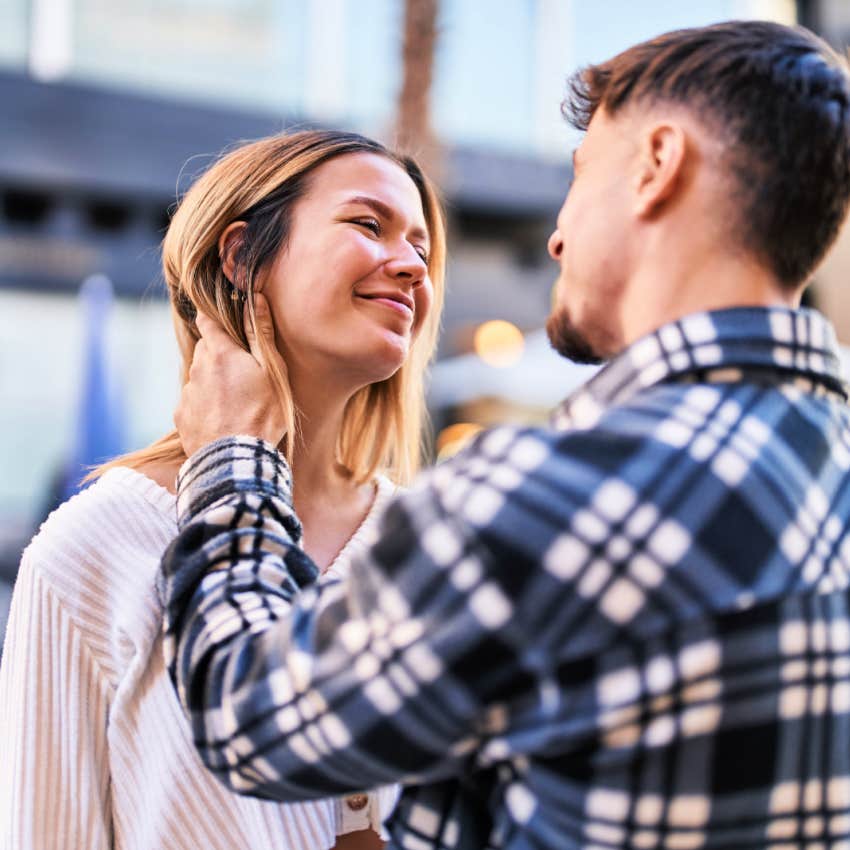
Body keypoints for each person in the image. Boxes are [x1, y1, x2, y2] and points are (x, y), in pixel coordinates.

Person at [161, 20, 850, 850]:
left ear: (659, 166)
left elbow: (246, 714)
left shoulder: (559, 494)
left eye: (581, 175)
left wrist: (230, 462)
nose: (557, 235)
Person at [0, 129, 446, 850]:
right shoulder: (94, 548)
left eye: (423, 249)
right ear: (241, 256)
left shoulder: (431, 543)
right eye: (369, 225)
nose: (411, 268)